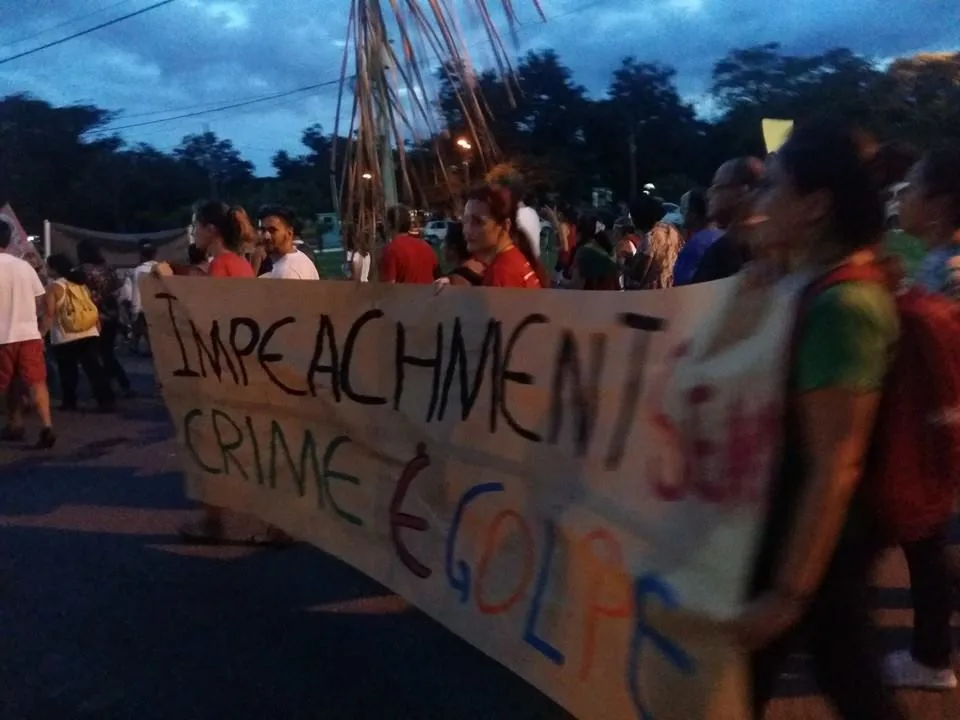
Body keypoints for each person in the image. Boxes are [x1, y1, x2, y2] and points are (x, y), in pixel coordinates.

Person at [736, 122, 903, 719]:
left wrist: (786, 593)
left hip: (816, 535)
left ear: (814, 206)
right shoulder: (809, 283)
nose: (758, 202)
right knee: (851, 677)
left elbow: (837, 460)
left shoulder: (846, 305)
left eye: (772, 187)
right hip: (804, 531)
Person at [881, 144, 960, 690]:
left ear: (937, 206)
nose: (900, 195)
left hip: (940, 432)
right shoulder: (938, 263)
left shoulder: (945, 271)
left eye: (911, 186)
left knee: (925, 539)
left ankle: (932, 658)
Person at [0, 220, 56, 448]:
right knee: (36, 382)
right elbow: (39, 299)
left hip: (2, 337)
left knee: (5, 384)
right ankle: (46, 426)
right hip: (28, 334)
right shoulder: (24, 267)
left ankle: (15, 423)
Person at [44, 254, 115, 414]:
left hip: (66, 334)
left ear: (55, 269)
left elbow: (49, 314)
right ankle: (106, 400)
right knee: (94, 368)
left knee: (67, 370)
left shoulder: (54, 287)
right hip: (88, 330)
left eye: (48, 266)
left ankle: (69, 401)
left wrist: (41, 334)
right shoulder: (80, 283)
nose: (46, 269)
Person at [690, 157, 765, 283]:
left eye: (716, 187)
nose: (709, 195)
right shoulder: (775, 242)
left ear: (743, 191)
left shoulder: (725, 252)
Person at [462, 185, 548, 289]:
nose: (467, 230)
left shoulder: (502, 272)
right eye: (465, 220)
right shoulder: (512, 259)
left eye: (478, 222)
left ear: (505, 226)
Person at [76, 239, 132, 397]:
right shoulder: (108, 268)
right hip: (111, 311)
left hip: (93, 313)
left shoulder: (83, 270)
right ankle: (122, 383)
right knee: (107, 351)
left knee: (94, 353)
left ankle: (106, 388)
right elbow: (117, 289)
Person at [625, 193, 684, 290]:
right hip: (674, 288)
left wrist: (625, 267)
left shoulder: (650, 238)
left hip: (653, 293)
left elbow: (637, 274)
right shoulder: (672, 231)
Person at [673, 188, 723, 286]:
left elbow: (683, 282)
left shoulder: (696, 244)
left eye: (683, 209)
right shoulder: (722, 235)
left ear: (693, 213)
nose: (680, 214)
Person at [257, 206, 320, 280]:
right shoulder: (299, 258)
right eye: (263, 230)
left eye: (272, 230)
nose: (266, 236)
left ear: (289, 233)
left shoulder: (287, 273)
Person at [380, 204, 437, 284]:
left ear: (389, 224)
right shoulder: (427, 247)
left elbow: (389, 287)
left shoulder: (391, 249)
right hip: (428, 295)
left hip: (404, 296)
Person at [124, 239, 158, 355]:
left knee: (142, 327)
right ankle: (137, 345)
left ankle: (141, 347)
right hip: (158, 306)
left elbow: (136, 293)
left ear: (141, 255)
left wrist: (134, 310)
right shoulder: (161, 268)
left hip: (143, 307)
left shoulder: (138, 271)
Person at [570, 213, 619, 290]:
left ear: (580, 232)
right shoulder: (607, 249)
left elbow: (576, 286)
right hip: (611, 298)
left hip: (592, 299)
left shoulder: (584, 252)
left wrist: (557, 281)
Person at [436, 222, 484, 287]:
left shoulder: (457, 279)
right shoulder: (482, 266)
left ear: (453, 248)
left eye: (444, 241)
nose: (441, 247)